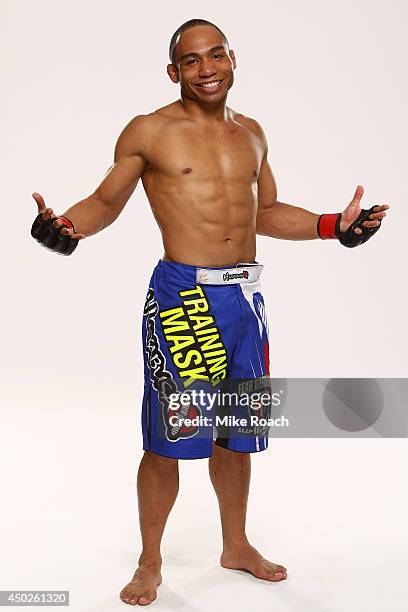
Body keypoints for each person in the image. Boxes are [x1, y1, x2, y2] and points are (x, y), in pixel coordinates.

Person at [31, 18, 389, 607]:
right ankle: (151, 561)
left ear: (233, 58)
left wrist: (334, 227)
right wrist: (65, 228)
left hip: (245, 301)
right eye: (192, 61)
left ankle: (235, 544)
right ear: (174, 72)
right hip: (185, 298)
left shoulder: (251, 133)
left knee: (236, 431)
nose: (207, 69)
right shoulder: (150, 132)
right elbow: (103, 201)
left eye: (216, 55)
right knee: (171, 436)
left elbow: (266, 213)